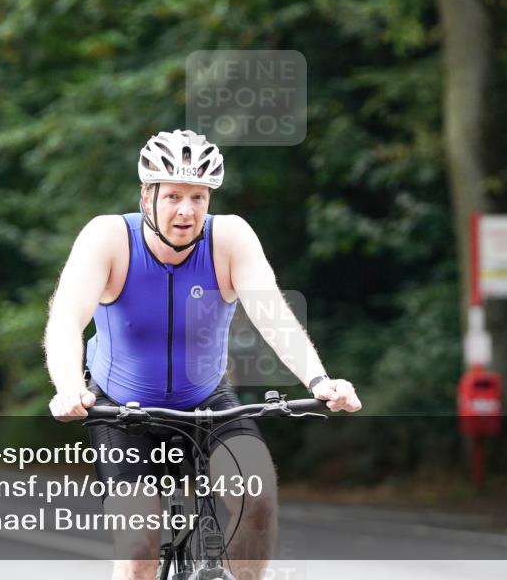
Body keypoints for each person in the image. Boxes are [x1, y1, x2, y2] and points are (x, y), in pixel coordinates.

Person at [44, 129, 362, 580]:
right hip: (121, 408)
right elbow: (65, 321)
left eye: (198, 196)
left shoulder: (229, 238)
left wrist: (318, 380)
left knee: (257, 499)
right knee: (138, 551)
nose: (186, 211)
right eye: (173, 196)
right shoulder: (108, 238)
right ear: (146, 196)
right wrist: (69, 387)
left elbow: (274, 316)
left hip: (208, 400)